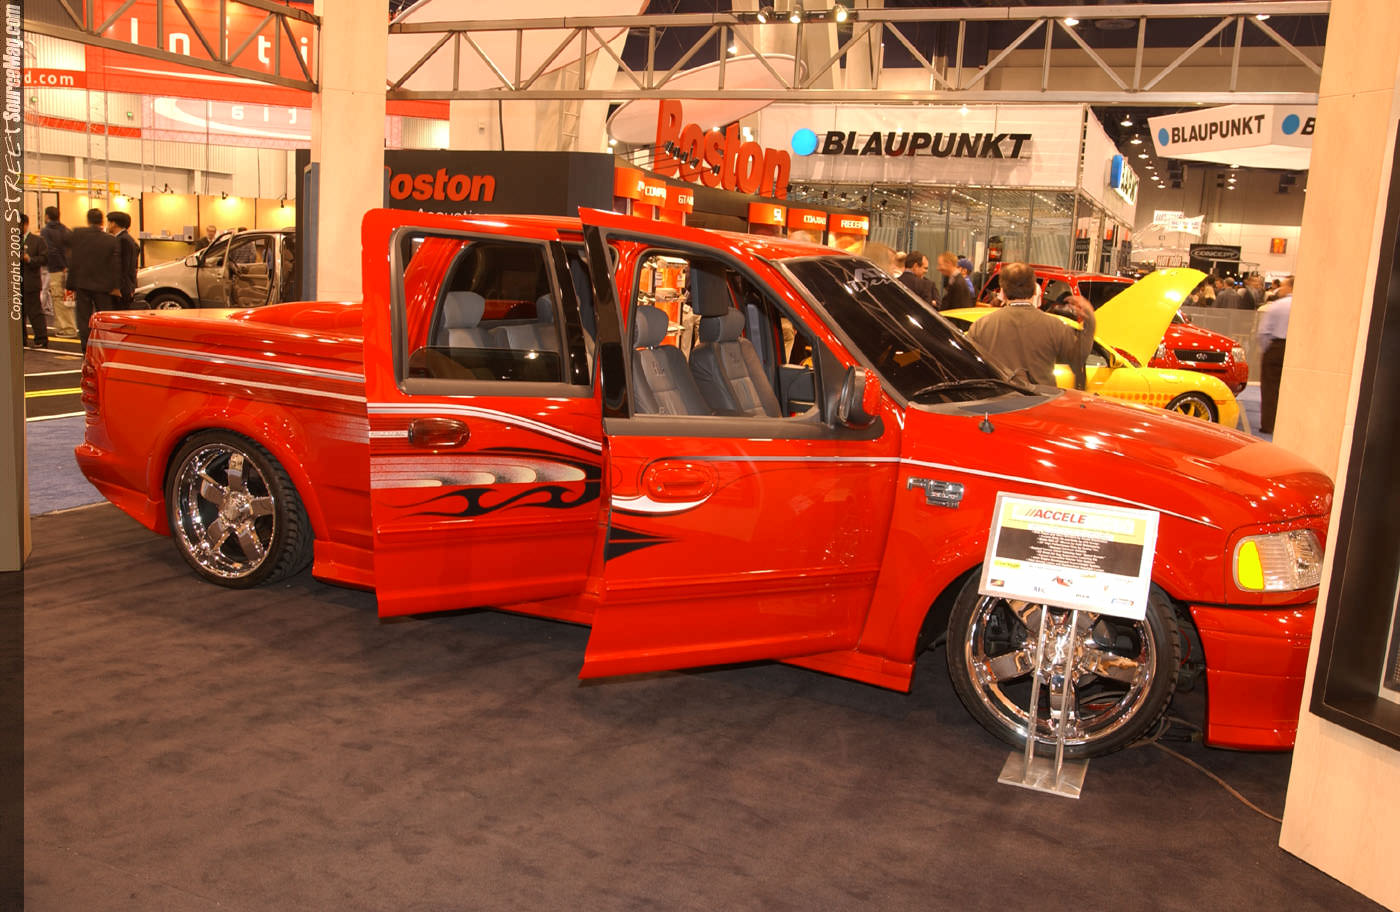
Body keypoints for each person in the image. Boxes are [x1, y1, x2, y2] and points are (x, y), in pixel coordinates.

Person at [965, 261, 1096, 390]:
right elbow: (1078, 356)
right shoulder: (1055, 326)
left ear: (1002, 293)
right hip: (1040, 400)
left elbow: (967, 366)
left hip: (997, 400)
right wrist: (1089, 320)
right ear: (1034, 291)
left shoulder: (981, 326)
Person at [66, 208, 122, 351]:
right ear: (102, 221)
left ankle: (86, 348)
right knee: (105, 318)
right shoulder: (110, 240)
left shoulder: (77, 234)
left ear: (88, 220)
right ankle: (106, 347)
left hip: (82, 283)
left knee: (83, 319)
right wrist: (116, 286)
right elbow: (115, 265)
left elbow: (70, 255)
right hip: (103, 286)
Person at [1256, 275, 1293, 434]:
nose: (1280, 289)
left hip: (1277, 347)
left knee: (1270, 388)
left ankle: (1269, 425)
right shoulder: (1305, 306)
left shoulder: (1277, 306)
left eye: (1283, 286)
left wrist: (1268, 350)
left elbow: (1263, 332)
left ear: (1290, 287)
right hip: (1296, 349)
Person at [40, 206, 74, 336]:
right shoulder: (66, 230)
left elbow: (51, 250)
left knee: (58, 299)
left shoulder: (46, 231)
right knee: (68, 300)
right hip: (68, 270)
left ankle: (66, 329)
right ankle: (64, 326)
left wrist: (62, 265)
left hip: (57, 269)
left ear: (47, 216)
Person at [20, 214, 49, 348]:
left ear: (25, 224)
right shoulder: (11, 240)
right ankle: (20, 339)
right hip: (15, 284)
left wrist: (30, 259)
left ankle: (41, 338)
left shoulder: (37, 241)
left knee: (35, 312)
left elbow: (44, 259)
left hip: (31, 282)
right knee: (17, 314)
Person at [107, 211, 141, 310]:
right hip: (126, 286)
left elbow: (123, 266)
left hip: (121, 288)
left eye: (108, 222)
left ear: (113, 224)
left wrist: (117, 286)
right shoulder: (128, 239)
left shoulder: (122, 240)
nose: (107, 226)